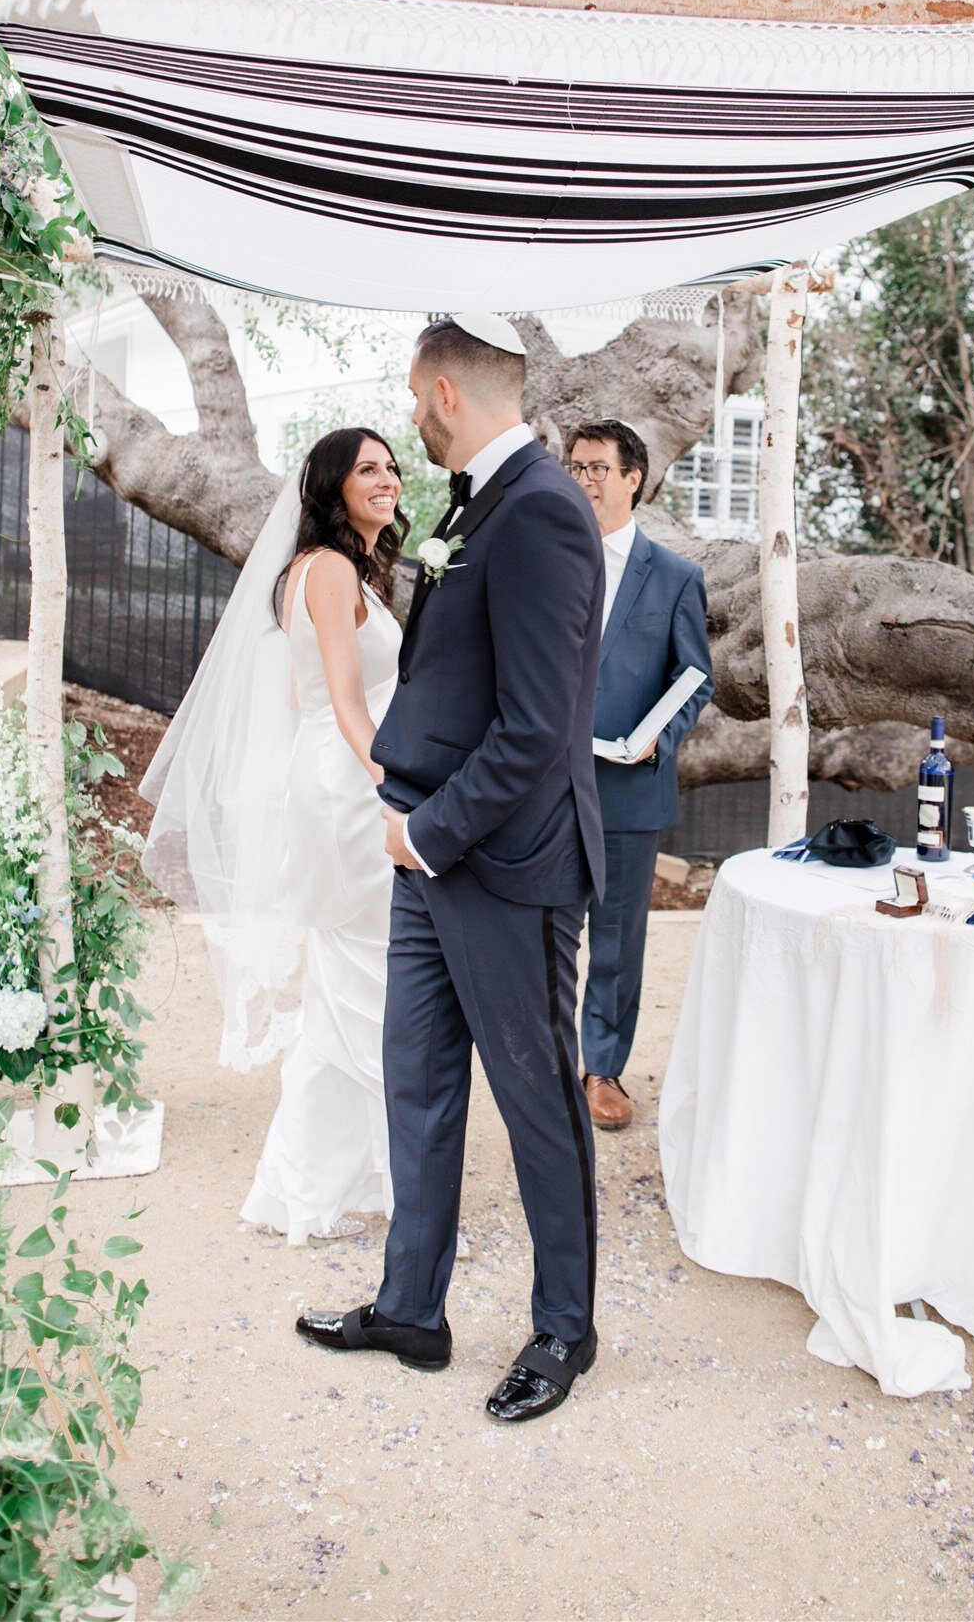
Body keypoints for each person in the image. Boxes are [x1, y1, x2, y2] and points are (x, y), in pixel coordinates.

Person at [297, 312, 606, 1425]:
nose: (410, 415)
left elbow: (535, 729)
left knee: (537, 1106)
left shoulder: (540, 514)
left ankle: (565, 1328)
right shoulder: (477, 505)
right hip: (430, 852)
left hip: (505, 861)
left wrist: (428, 831)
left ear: (438, 392)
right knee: (417, 1082)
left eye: (410, 399)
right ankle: (411, 1307)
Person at [141, 428, 405, 1241]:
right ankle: (337, 1181)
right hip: (353, 790)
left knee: (349, 984)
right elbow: (344, 704)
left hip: (335, 776)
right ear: (331, 487)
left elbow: (304, 704)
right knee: (368, 976)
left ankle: (325, 1181)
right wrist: (396, 791)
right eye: (368, 469)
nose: (388, 478)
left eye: (392, 466)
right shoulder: (326, 571)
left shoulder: (336, 570)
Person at [568, 419, 712, 1133]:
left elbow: (695, 677)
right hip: (543, 785)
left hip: (629, 784)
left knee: (617, 939)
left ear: (634, 479)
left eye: (598, 467)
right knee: (541, 931)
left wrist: (656, 738)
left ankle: (603, 1068)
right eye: (575, 466)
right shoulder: (545, 562)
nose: (585, 479)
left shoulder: (677, 576)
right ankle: (540, 1062)